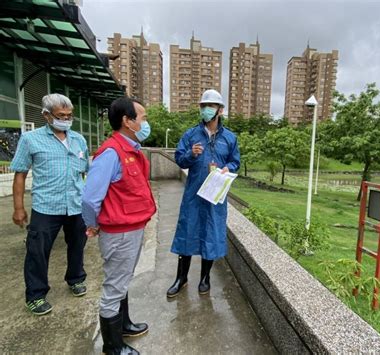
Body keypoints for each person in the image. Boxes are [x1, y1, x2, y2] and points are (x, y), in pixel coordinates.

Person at [82, 97, 156, 355]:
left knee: (122, 280)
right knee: (113, 288)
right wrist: (92, 225)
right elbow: (90, 198)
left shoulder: (130, 149)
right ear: (127, 121)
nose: (145, 123)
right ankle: (112, 347)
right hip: (120, 233)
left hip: (132, 228)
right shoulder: (111, 153)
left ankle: (123, 325)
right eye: (143, 118)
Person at [11, 93, 89, 316]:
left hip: (75, 205)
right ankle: (35, 295)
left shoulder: (79, 140)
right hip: (46, 206)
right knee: (37, 251)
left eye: (69, 115)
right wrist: (18, 208)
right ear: (46, 115)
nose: (65, 119)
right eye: (60, 115)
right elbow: (20, 174)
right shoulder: (31, 139)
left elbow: (86, 172)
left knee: (77, 245)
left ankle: (75, 279)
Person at [167, 89, 240, 298]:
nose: (206, 109)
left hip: (215, 195)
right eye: (203, 105)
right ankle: (181, 278)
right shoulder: (191, 135)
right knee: (187, 233)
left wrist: (228, 168)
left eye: (211, 106)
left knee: (211, 233)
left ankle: (205, 277)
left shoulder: (230, 138)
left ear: (220, 110)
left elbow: (236, 161)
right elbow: (180, 160)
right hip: (193, 194)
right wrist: (191, 154)